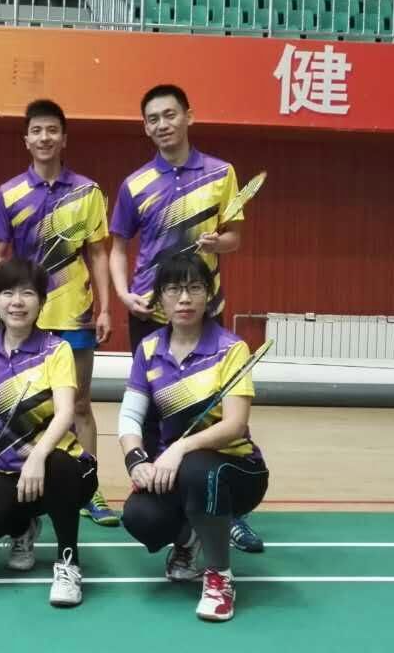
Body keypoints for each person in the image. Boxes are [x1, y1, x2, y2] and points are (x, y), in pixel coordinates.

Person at [108, 83, 264, 553]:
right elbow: (118, 248)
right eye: (153, 119)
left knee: (217, 408)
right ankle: (163, 494)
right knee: (156, 410)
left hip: (203, 308)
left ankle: (226, 506)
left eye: (170, 114)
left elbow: (235, 237)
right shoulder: (135, 184)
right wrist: (123, 294)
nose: (162, 125)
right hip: (150, 309)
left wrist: (220, 244)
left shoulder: (220, 173)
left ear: (188, 116)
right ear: (145, 127)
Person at [0, 99, 117, 527]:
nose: (44, 137)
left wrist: (105, 307)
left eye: (52, 130)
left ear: (64, 139)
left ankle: (89, 488)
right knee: (26, 407)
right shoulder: (9, 193)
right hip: (26, 317)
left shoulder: (88, 192)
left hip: (74, 313)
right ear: (26, 140)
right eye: (37, 131)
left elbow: (98, 254)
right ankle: (28, 483)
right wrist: (2, 301)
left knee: (79, 404)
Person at [117, 254, 269, 621]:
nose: (184, 298)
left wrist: (179, 448)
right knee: (139, 515)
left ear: (209, 295)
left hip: (237, 470)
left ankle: (220, 577)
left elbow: (235, 425)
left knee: (199, 469)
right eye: (173, 289)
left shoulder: (230, 349)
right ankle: (189, 538)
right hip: (178, 470)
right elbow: (130, 416)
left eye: (194, 288)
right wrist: (137, 461)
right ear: (160, 298)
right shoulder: (149, 349)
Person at [0, 258, 99, 607]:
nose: (17, 302)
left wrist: (37, 456)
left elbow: (65, 412)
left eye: (27, 293)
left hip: (64, 468)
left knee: (59, 466)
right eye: (7, 293)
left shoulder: (56, 350)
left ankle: (68, 562)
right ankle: (23, 528)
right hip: (10, 472)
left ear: (42, 302)